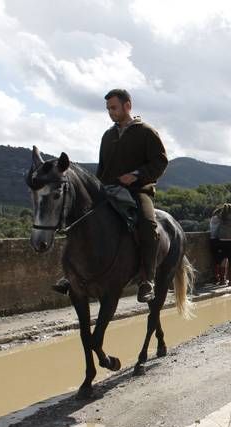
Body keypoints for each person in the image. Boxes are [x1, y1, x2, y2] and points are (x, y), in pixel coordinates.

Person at [52, 88, 169, 303]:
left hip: (137, 191)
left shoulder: (146, 132)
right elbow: (102, 169)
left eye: (113, 108)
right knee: (81, 221)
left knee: (147, 224)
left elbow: (160, 162)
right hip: (108, 191)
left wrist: (136, 175)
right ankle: (72, 276)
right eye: (108, 109)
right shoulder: (108, 135)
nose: (110, 112)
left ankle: (147, 280)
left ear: (128, 106)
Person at [209, 206, 225, 284]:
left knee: (215, 260)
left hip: (212, 240)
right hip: (219, 240)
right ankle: (221, 279)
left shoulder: (212, 218)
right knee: (222, 261)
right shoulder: (219, 219)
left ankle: (216, 277)